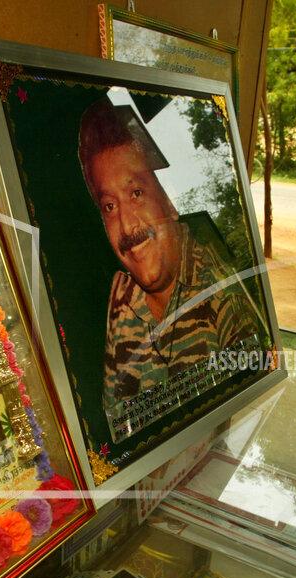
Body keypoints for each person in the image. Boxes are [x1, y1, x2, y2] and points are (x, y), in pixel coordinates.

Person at [77, 98, 264, 413]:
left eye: (136, 193)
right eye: (110, 206)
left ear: (170, 200)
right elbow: (119, 418)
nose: (126, 225)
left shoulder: (222, 294)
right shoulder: (121, 294)